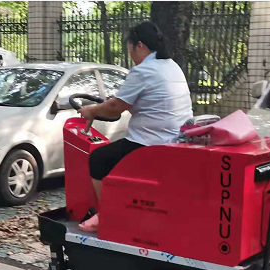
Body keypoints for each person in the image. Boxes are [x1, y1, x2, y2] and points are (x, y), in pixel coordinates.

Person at [77, 21, 193, 232]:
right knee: (116, 153)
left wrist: (92, 110)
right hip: (178, 140)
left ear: (139, 45)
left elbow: (114, 109)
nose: (130, 54)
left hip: (152, 145)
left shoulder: (144, 70)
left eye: (129, 48)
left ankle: (107, 215)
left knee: (99, 158)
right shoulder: (171, 66)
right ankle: (127, 208)